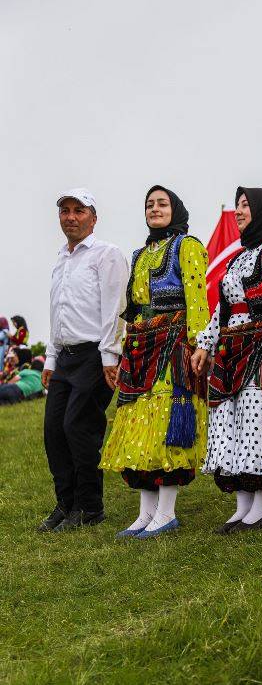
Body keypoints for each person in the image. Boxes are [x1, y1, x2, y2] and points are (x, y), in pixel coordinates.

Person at [99, 185, 209, 539]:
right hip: (140, 346)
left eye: (162, 204)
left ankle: (166, 512)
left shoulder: (187, 247)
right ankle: (145, 513)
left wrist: (199, 344)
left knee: (163, 428)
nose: (155, 209)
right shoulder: (140, 254)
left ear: (175, 209)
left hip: (173, 346)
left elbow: (197, 301)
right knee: (137, 428)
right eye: (149, 204)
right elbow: (130, 309)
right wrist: (118, 349)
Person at [192, 187, 262, 534]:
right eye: (237, 205)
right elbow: (222, 310)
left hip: (261, 346)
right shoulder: (238, 258)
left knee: (258, 422)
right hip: (231, 348)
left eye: (245, 205)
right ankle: (242, 506)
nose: (238, 212)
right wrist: (204, 345)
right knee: (231, 422)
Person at [39, 188, 128, 533]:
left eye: (79, 211)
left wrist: (110, 355)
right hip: (65, 356)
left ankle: (90, 507)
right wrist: (49, 358)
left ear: (93, 218)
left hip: (95, 354)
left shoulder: (107, 254)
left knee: (79, 427)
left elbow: (115, 308)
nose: (71, 217)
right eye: (65, 211)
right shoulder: (61, 259)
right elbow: (57, 314)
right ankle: (66, 503)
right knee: (53, 431)